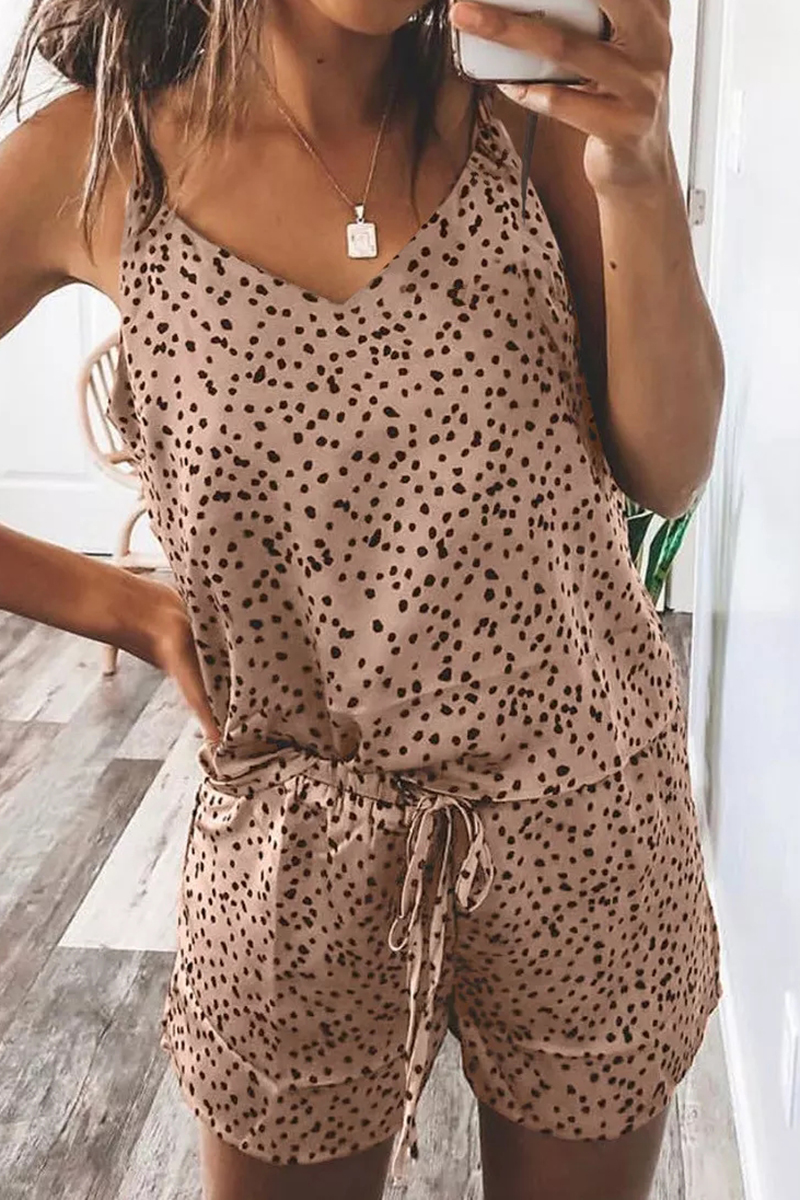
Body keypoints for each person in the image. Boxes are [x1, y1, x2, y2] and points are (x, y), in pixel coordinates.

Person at [0, 2, 726, 1198]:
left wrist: (638, 172)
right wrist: (120, 605)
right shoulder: (96, 162)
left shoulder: (526, 119)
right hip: (293, 855)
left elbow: (668, 467)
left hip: (584, 818)